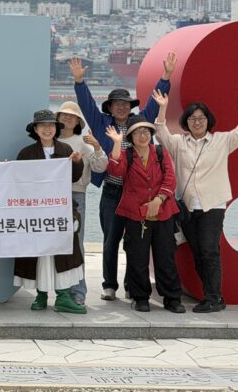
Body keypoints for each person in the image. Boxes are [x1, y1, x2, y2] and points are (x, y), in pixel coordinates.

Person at [69, 53, 176, 301]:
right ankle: (109, 285)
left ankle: (132, 284)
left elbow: (153, 104)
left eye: (126, 103)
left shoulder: (140, 123)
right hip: (113, 192)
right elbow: (86, 105)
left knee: (135, 243)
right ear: (109, 107)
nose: (121, 106)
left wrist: (166, 76)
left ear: (131, 106)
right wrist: (79, 82)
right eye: (117, 103)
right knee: (110, 241)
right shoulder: (101, 124)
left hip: (138, 193)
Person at [152, 85, 238, 313]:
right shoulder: (179, 143)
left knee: (210, 250)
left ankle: (212, 298)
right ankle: (214, 297)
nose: (197, 122)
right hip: (188, 207)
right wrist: (162, 108)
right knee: (198, 253)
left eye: (201, 118)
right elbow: (160, 132)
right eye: (192, 118)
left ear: (208, 121)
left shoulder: (221, 141)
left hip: (213, 205)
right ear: (186, 122)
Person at [105, 115, 184, 313]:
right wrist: (116, 143)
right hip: (135, 214)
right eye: (138, 132)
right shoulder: (127, 155)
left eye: (146, 131)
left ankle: (172, 298)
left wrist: (158, 200)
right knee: (137, 257)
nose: (143, 135)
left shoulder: (159, 152)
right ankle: (140, 297)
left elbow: (170, 179)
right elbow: (115, 170)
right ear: (130, 136)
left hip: (163, 211)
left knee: (165, 256)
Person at [12, 110, 87, 314]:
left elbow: (73, 177)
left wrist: (77, 162)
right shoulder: (26, 153)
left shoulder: (65, 149)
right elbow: (17, 181)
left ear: (56, 129)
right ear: (35, 130)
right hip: (35, 213)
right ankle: (41, 295)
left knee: (62, 252)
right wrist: (6, 170)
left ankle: (63, 296)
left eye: (51, 125)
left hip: (60, 210)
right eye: (42, 125)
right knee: (39, 254)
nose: (47, 129)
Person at [55, 101, 108, 305]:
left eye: (72, 116)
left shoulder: (83, 142)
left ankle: (79, 291)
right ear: (58, 118)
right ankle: (60, 290)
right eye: (63, 115)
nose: (67, 118)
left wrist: (96, 146)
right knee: (55, 244)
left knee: (77, 244)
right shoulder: (52, 139)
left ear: (78, 120)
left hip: (76, 195)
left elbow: (100, 167)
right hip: (52, 197)